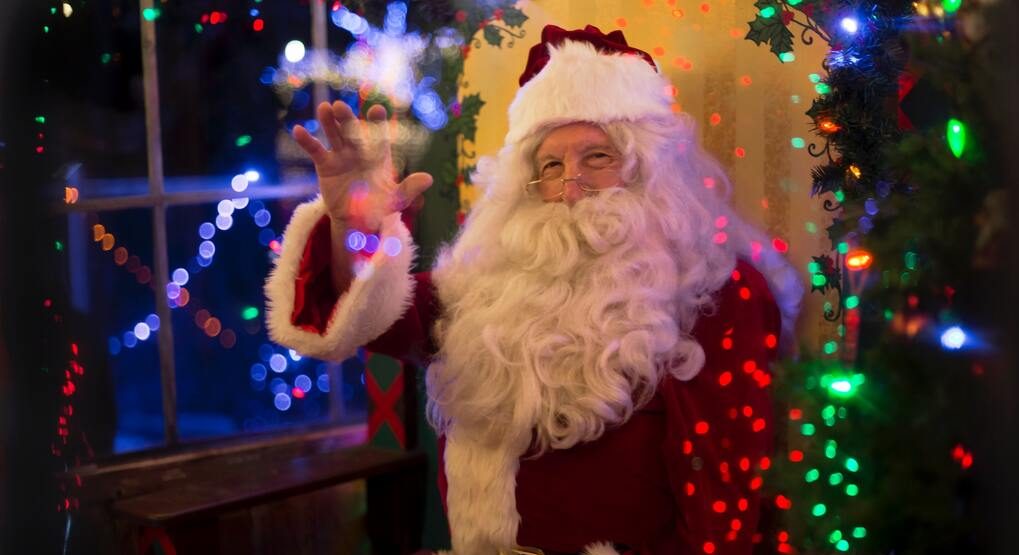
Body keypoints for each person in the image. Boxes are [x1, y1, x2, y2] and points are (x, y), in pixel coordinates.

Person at [266, 24, 802, 555]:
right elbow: (369, 315)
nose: (571, 184)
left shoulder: (719, 290)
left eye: (597, 157)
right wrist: (349, 225)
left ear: (649, 171)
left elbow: (723, 491)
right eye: (550, 165)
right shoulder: (484, 284)